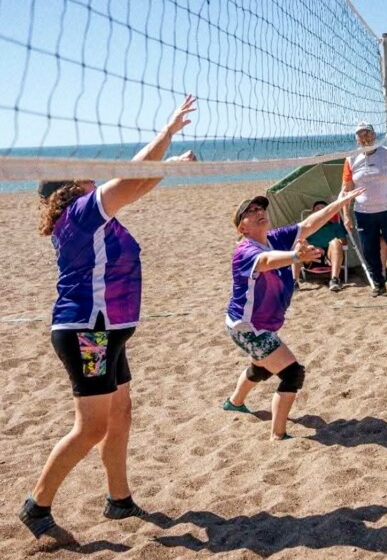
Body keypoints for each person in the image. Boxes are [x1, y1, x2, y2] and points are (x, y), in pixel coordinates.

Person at [19, 96, 197, 539]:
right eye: (83, 174)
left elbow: (136, 186)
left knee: (120, 415)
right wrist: (168, 132)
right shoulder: (79, 215)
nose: (91, 174)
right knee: (92, 426)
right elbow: (130, 177)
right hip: (89, 332)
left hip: (107, 330)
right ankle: (36, 507)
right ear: (69, 189)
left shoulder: (94, 217)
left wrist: (170, 163)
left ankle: (118, 500)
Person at [222, 188, 363, 440]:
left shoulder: (275, 237)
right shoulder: (245, 250)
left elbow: (309, 223)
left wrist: (338, 203)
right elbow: (266, 261)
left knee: (263, 367)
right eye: (250, 211)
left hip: (255, 325)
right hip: (248, 328)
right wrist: (295, 256)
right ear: (242, 227)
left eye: (260, 208)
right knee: (291, 373)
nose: (258, 212)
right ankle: (278, 434)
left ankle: (234, 402)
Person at [341, 122, 387, 298]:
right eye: (361, 134)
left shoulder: (386, 153)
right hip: (364, 212)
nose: (365, 137)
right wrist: (346, 215)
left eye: (367, 133)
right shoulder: (351, 159)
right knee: (369, 250)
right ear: (357, 139)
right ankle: (379, 284)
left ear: (374, 135)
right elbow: (346, 189)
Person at [290, 200, 349, 292]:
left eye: (323, 209)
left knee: (335, 242)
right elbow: (300, 241)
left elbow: (344, 244)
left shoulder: (336, 226)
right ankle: (294, 282)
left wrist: (333, 243)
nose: (320, 211)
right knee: (298, 245)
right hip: (310, 257)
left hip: (330, 257)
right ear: (313, 213)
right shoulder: (306, 227)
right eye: (317, 209)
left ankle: (334, 280)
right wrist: (313, 248)